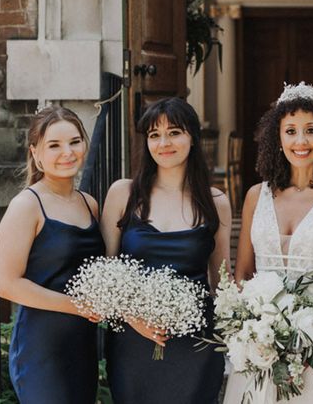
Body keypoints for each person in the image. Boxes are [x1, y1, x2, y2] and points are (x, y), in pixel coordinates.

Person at [224, 81, 313, 404]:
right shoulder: (254, 196)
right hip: (262, 342)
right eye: (290, 131)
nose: (300, 141)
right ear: (277, 137)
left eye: (310, 130)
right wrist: (254, 327)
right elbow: (243, 272)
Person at [101, 97, 230, 404]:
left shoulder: (215, 202)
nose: (164, 143)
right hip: (133, 341)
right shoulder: (123, 193)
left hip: (196, 342)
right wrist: (133, 318)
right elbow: (105, 273)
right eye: (154, 135)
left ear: (192, 138)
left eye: (174, 132)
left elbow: (223, 282)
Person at [0, 106, 105, 404]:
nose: (67, 152)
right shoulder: (26, 206)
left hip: (82, 344)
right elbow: (7, 284)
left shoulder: (90, 204)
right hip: (41, 347)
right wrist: (77, 306)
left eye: (74, 141)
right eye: (54, 145)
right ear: (35, 153)